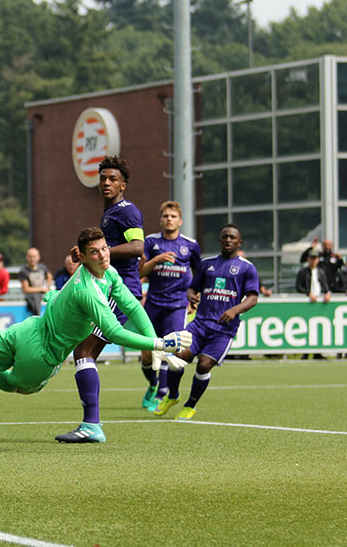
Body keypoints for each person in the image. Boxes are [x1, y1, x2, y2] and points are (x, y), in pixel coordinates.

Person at [0, 227, 191, 444]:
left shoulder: (106, 274)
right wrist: (160, 342)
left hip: (28, 329)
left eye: (104, 249)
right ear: (83, 258)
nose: (102, 255)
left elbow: (132, 306)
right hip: (42, 355)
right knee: (14, 385)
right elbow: (114, 332)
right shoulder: (88, 291)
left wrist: (153, 340)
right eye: (94, 252)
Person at [68, 155, 152, 432]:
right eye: (103, 178)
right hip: (109, 289)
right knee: (82, 349)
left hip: (121, 290)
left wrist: (94, 253)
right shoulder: (110, 213)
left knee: (84, 351)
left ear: (123, 185)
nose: (106, 183)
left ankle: (92, 425)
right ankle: (91, 424)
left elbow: (138, 247)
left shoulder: (126, 211)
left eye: (113, 179)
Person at [153, 224, 259, 420]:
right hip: (199, 324)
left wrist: (234, 310)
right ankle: (173, 396)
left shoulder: (247, 268)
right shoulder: (207, 264)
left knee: (203, 365)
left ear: (239, 242)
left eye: (232, 237)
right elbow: (192, 288)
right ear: (219, 240)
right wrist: (192, 296)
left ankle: (190, 405)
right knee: (177, 356)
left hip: (223, 330)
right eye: (224, 236)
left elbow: (253, 297)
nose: (228, 240)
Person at [139, 201, 201, 407]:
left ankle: (163, 393)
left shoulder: (190, 245)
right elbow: (140, 272)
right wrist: (157, 260)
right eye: (165, 216)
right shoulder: (150, 242)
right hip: (154, 303)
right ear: (160, 220)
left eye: (173, 216)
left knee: (171, 349)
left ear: (180, 221)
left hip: (176, 305)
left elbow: (198, 275)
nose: (169, 219)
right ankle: (153, 384)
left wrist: (194, 296)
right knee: (147, 355)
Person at [18, 247, 52, 315]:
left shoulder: (42, 267)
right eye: (30, 257)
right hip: (32, 297)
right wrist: (41, 289)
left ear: (38, 257)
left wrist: (47, 286)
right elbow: (26, 289)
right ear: (27, 257)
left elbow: (49, 275)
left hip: (43, 295)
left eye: (34, 257)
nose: (32, 259)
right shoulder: (23, 271)